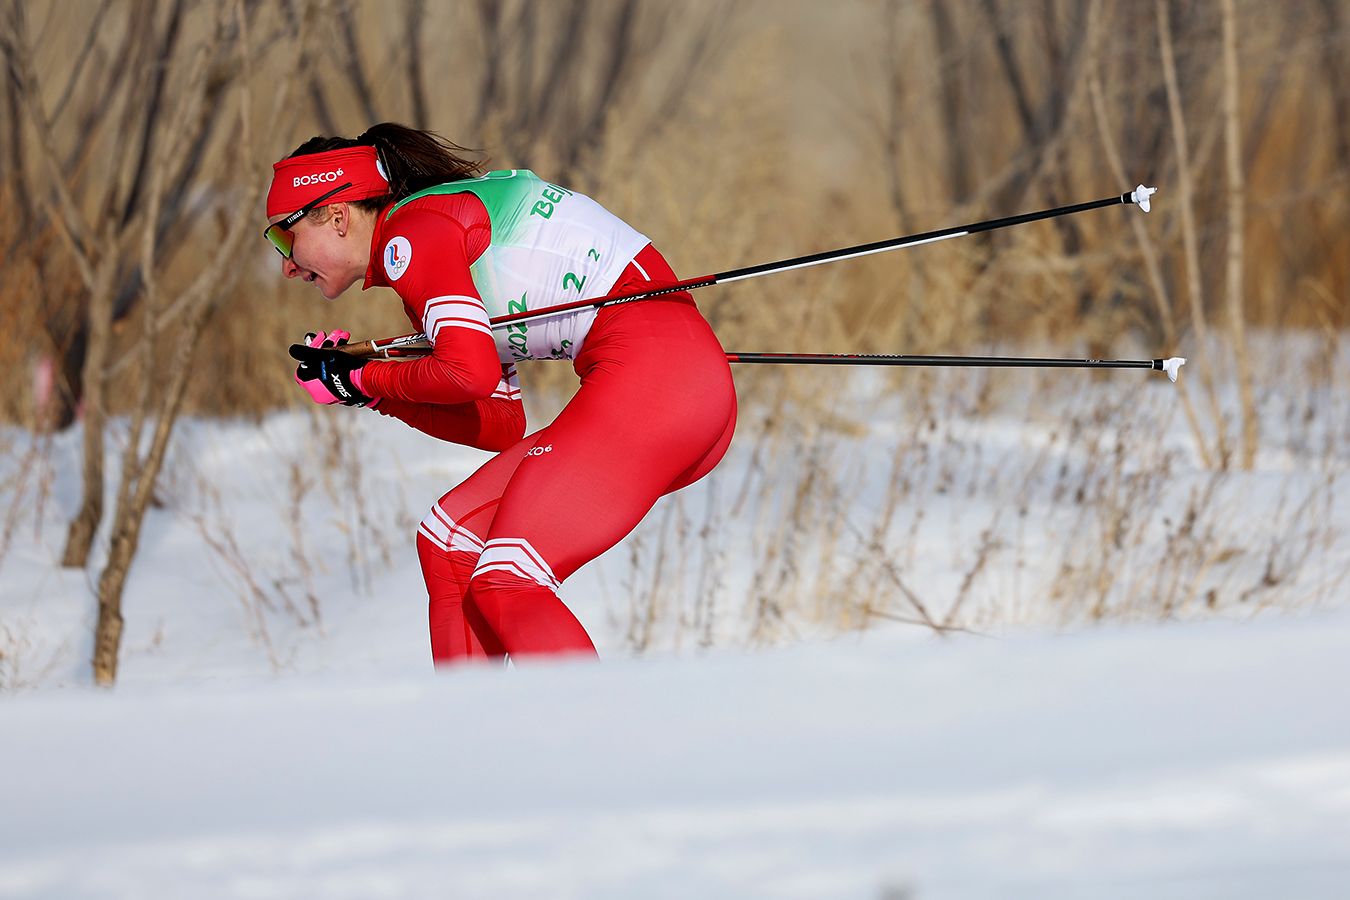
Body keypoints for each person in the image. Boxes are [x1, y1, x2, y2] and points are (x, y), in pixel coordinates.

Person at [264, 123, 737, 664]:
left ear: (337, 214)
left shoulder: (412, 235)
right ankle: (475, 741)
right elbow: (497, 419)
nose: (285, 263)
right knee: (448, 546)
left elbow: (466, 371)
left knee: (509, 577)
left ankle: (597, 742)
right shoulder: (424, 239)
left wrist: (365, 377)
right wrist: (370, 392)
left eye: (285, 236)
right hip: (671, 380)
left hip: (662, 375)